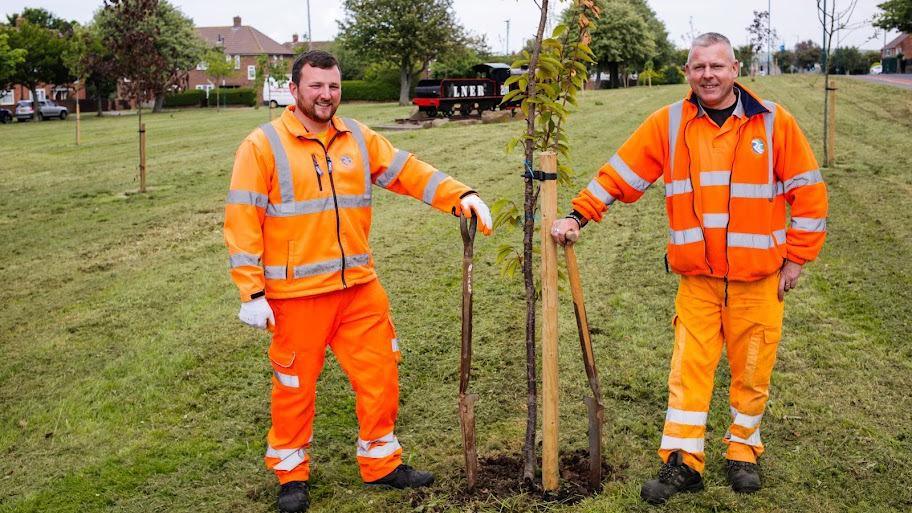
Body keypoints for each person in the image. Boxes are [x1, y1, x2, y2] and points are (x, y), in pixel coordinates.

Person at [551, 33, 827, 504]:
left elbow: (808, 192)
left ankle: (743, 452)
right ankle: (683, 462)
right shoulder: (670, 123)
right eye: (699, 67)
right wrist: (578, 214)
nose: (708, 75)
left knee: (753, 369)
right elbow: (620, 172)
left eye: (717, 66)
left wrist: (797, 257)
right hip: (697, 281)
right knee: (688, 371)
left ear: (735, 68)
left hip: (758, 281)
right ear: (687, 73)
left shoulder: (774, 123)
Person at [223, 50, 492, 513]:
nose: (326, 95)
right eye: (316, 86)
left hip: (358, 290)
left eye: (333, 86)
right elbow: (242, 219)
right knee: (294, 388)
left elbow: (408, 171)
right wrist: (251, 290)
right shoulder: (262, 146)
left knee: (381, 375)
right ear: (294, 90)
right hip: (296, 296)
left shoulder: (357, 138)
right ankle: (291, 474)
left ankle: (381, 461)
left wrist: (459, 195)